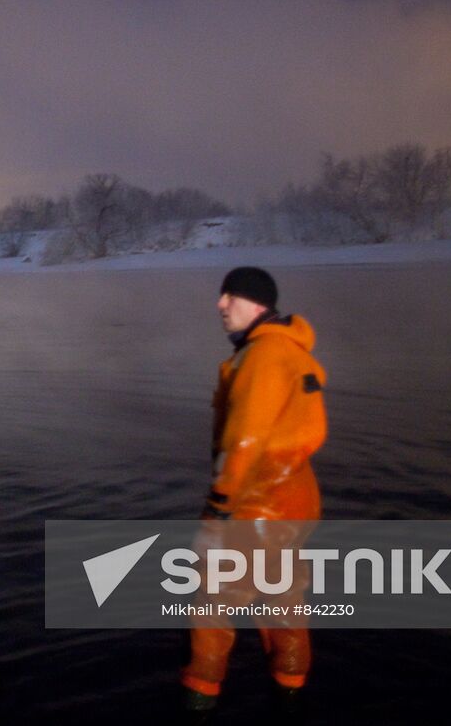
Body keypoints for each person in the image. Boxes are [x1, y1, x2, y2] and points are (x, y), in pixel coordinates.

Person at [181, 267, 328, 715]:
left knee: (210, 602)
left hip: (256, 503)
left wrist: (218, 508)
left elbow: (244, 440)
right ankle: (290, 689)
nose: (220, 305)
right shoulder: (291, 351)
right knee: (282, 597)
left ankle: (199, 698)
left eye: (231, 296)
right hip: (295, 497)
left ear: (258, 303)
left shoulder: (262, 357)